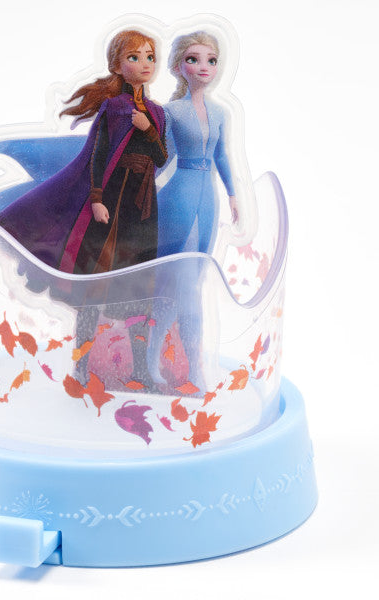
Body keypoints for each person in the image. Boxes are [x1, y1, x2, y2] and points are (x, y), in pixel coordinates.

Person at [0, 29, 167, 388]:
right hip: (112, 204)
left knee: (141, 289)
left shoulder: (156, 113)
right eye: (134, 57)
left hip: (143, 208)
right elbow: (97, 155)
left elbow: (161, 157)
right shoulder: (113, 108)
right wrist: (97, 198)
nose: (145, 63)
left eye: (150, 56)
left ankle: (139, 370)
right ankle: (80, 367)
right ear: (117, 65)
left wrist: (148, 129)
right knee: (94, 287)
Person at [148, 31, 237, 390]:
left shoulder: (220, 113)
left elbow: (222, 156)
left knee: (193, 280)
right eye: (193, 59)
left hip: (209, 201)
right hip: (178, 197)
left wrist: (233, 194)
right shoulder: (171, 112)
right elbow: (161, 157)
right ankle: (185, 367)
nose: (204, 67)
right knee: (179, 283)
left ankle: (168, 363)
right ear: (178, 66)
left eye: (211, 60)